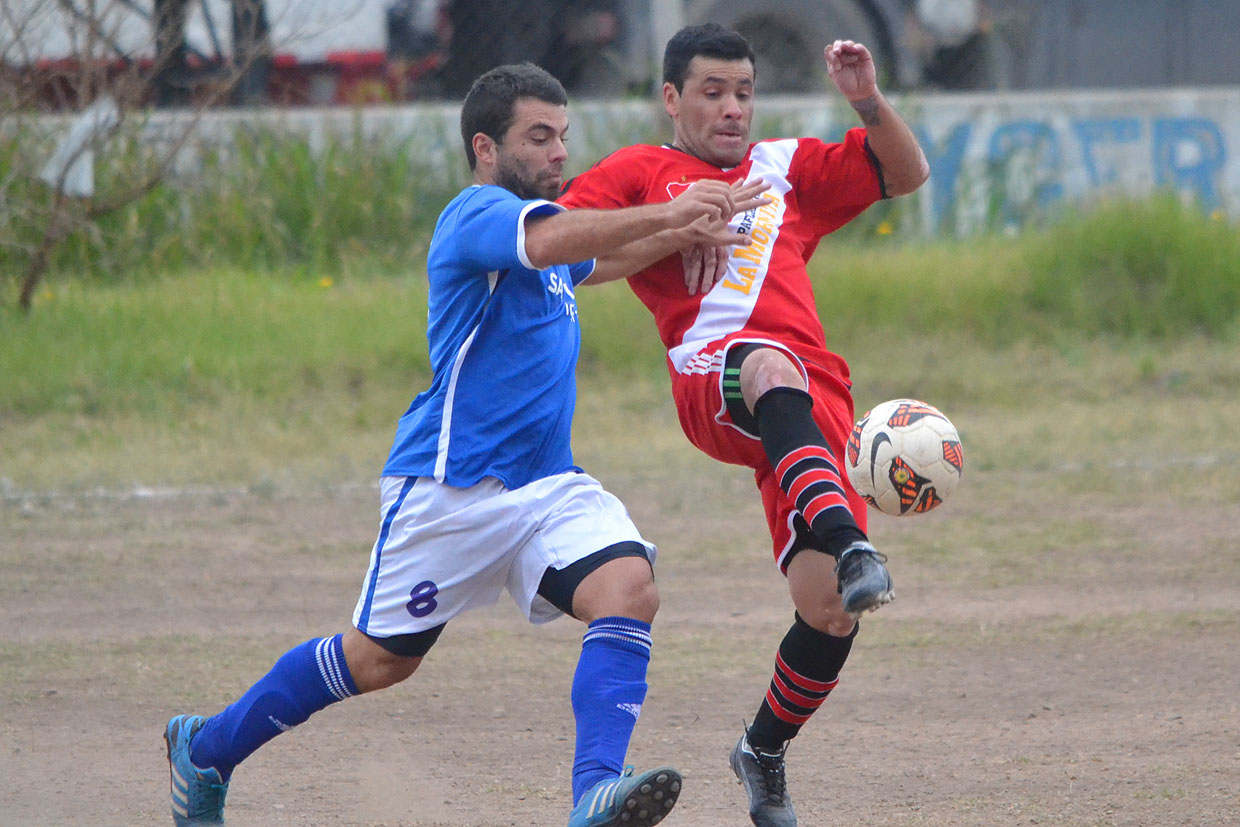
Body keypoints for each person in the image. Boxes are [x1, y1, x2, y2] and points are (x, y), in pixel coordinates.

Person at [163, 62, 768, 827]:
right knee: (378, 660)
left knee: (629, 585)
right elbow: (554, 245)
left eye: (563, 138)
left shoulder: (545, 231)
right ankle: (207, 749)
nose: (558, 154)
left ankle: (594, 796)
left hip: (546, 486)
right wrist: (669, 209)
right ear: (486, 148)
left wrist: (683, 229)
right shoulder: (476, 214)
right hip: (449, 490)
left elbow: (591, 260)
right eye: (538, 137)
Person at [558, 24, 930, 827]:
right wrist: (668, 227)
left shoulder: (784, 169)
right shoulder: (642, 172)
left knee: (830, 606)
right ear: (671, 98)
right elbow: (559, 247)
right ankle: (855, 539)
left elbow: (905, 171)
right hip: (715, 375)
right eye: (712, 92)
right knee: (767, 364)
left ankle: (762, 750)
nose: (732, 109)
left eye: (744, 93)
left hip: (811, 405)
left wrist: (866, 100)